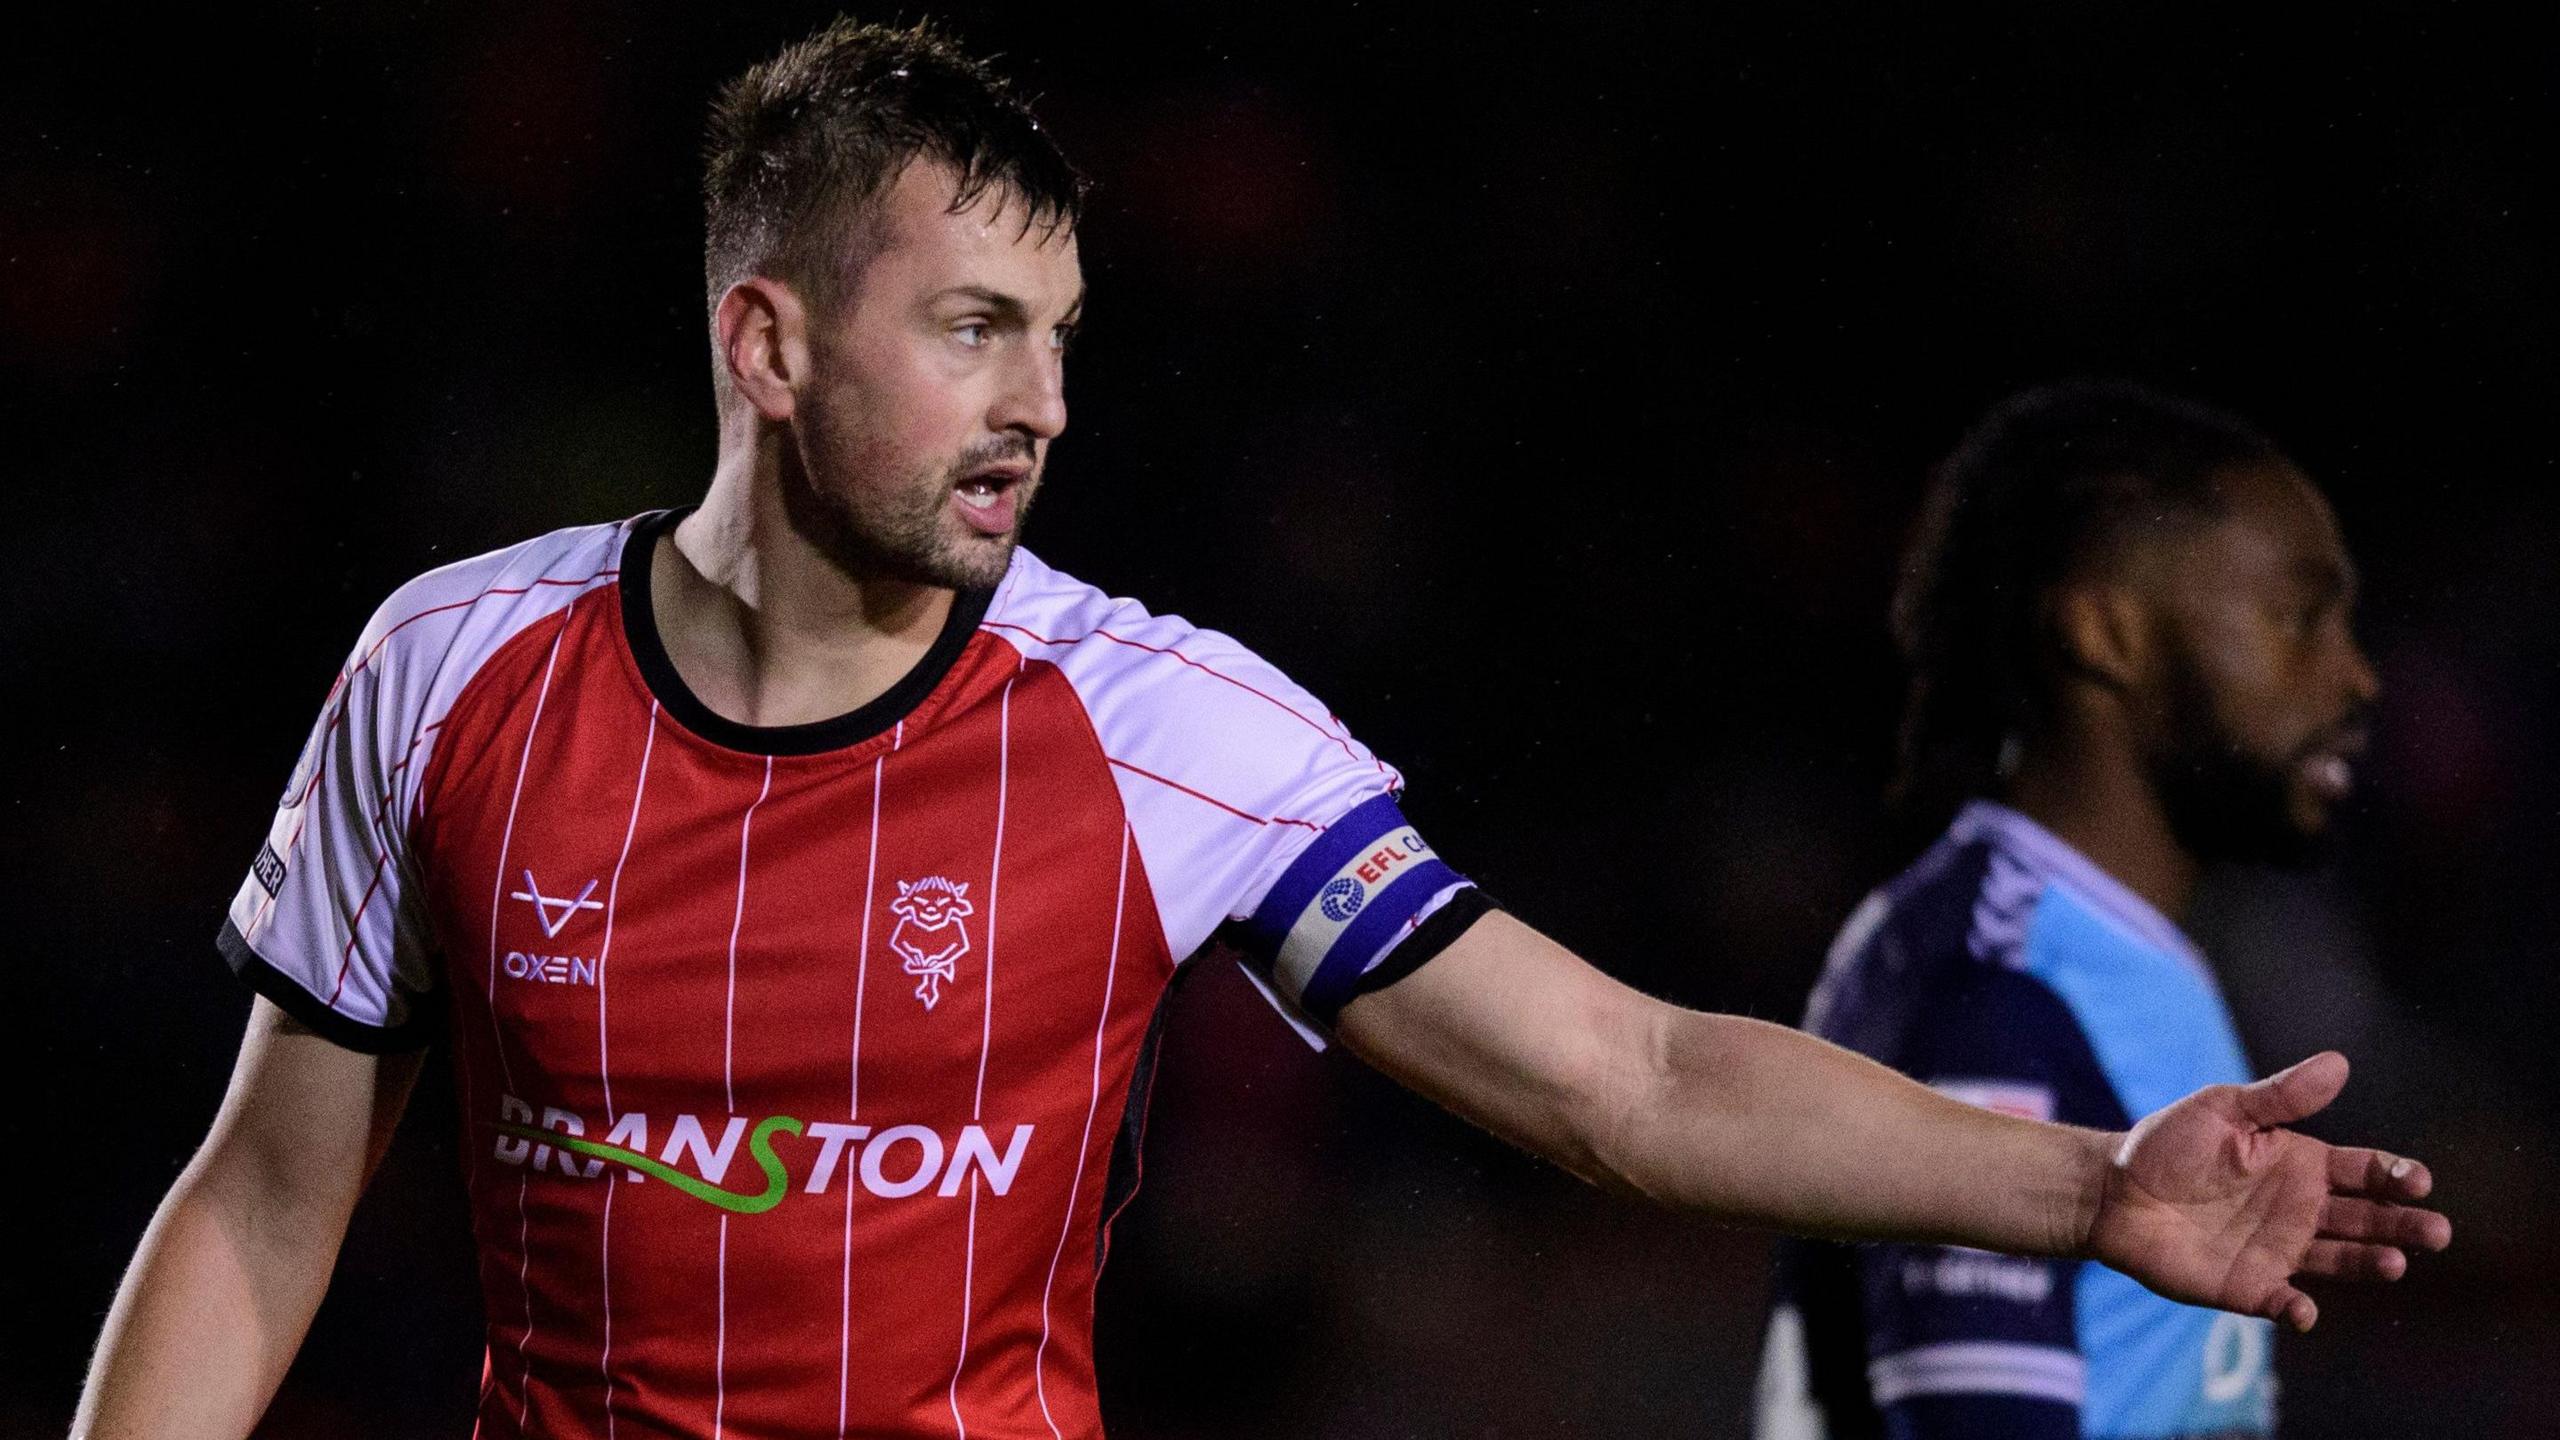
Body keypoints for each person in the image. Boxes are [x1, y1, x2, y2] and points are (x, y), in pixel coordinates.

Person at [75, 23, 2446, 1440]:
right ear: (768, 343)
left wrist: (2089, 1184)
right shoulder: (449, 671)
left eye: (1063, 332)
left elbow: (1621, 1077)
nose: (1042, 402)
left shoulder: (1156, 719)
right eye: (974, 327)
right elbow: (268, 1206)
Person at [1754, 381, 2391, 1439]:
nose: (2356, 678)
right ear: (2106, 632)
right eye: (2297, 618)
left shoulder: (2100, 951)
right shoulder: (1997, 987)